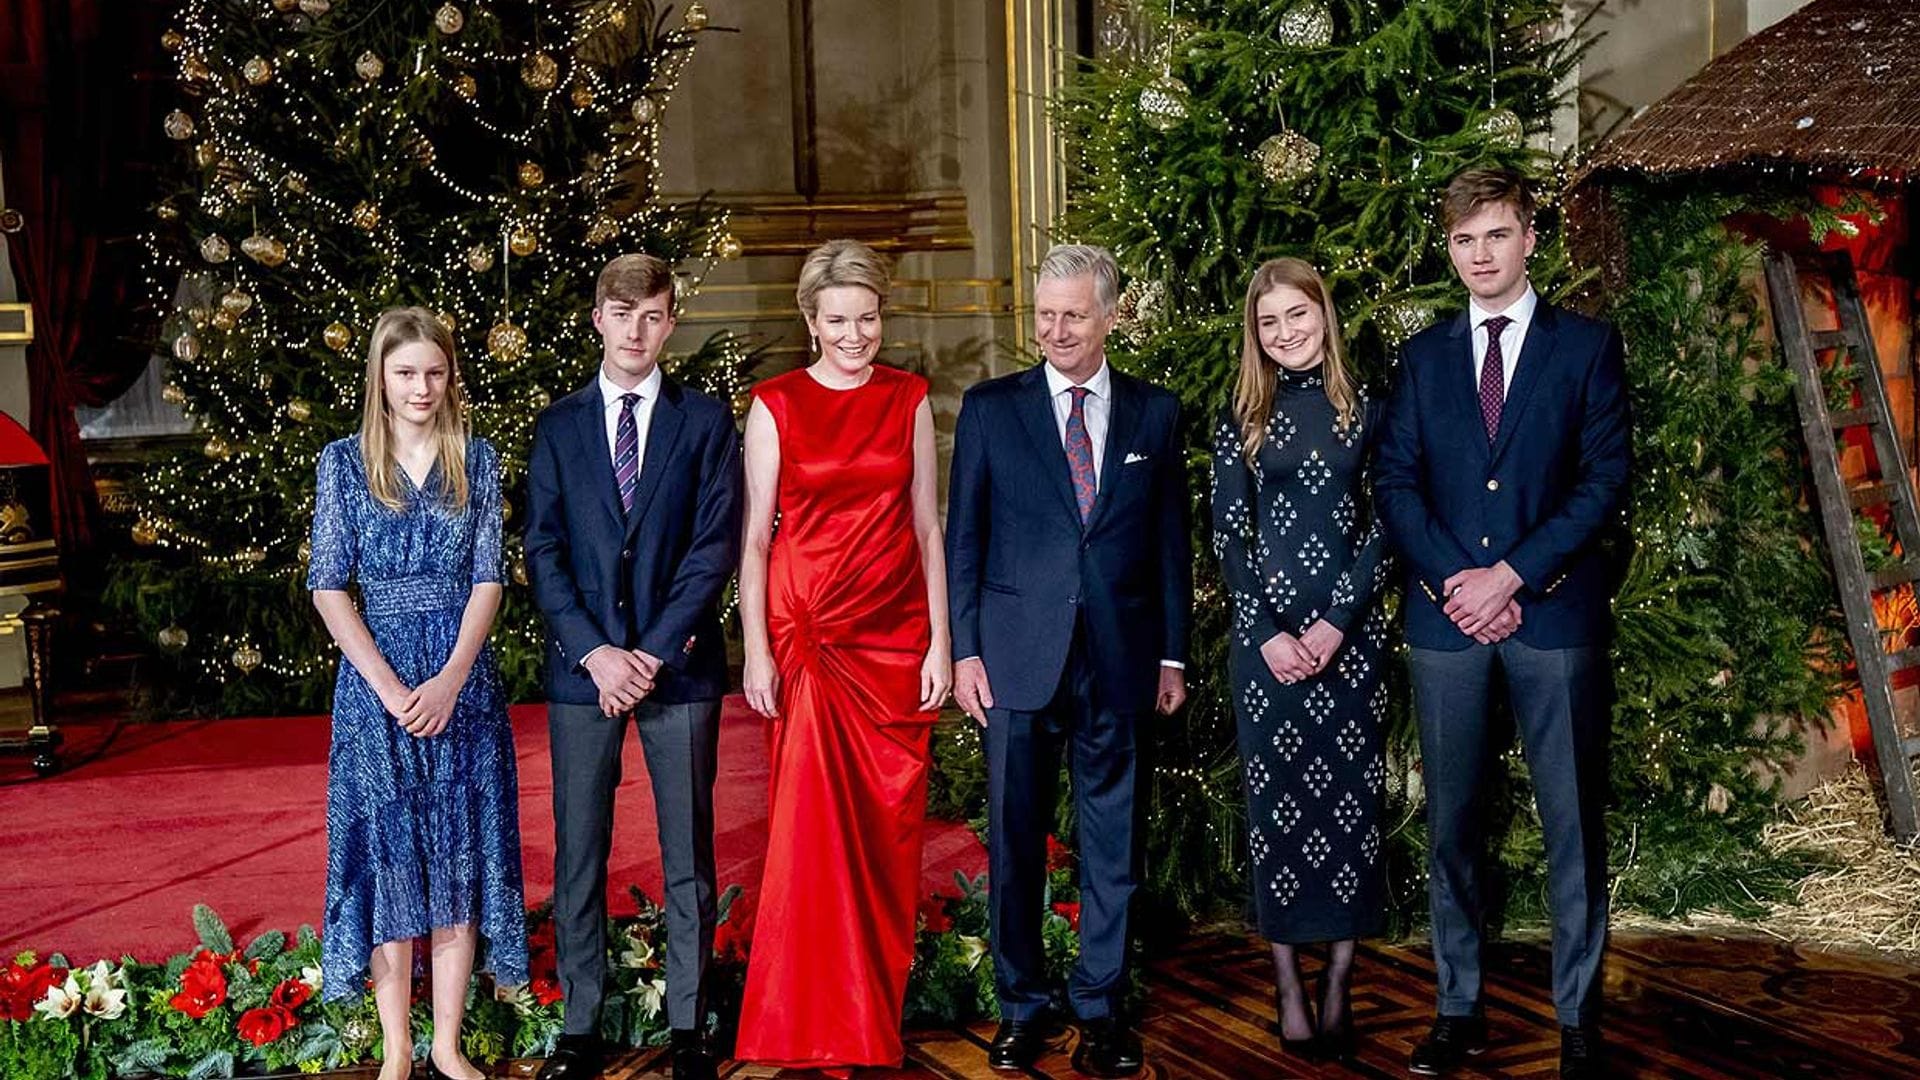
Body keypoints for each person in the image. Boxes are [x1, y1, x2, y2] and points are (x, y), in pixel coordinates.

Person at [1373, 167, 1630, 1080]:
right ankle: (1458, 1007)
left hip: (1552, 617)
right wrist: (1458, 581)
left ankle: (1577, 1020)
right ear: (1451, 251)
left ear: (1529, 239)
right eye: (1462, 240)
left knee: (1570, 822)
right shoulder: (1422, 356)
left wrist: (1513, 574)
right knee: (1452, 824)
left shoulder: (1587, 349)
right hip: (1448, 624)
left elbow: (1603, 483)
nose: (1479, 254)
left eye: (1495, 235)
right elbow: (1395, 484)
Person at [946, 243, 1191, 1079]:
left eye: (1073, 316)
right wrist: (966, 649)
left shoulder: (1155, 414)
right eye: (1044, 315)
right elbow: (964, 539)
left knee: (1112, 845)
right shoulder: (990, 408)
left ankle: (1102, 1009)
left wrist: (1171, 655)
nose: (1054, 330)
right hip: (1014, 661)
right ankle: (1020, 1006)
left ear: (1111, 316)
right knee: (1016, 841)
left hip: (1120, 661)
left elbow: (1169, 544)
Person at [733, 238, 952, 1077]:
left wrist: (942, 638)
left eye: (867, 319)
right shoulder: (776, 404)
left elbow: (929, 525)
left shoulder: (909, 398)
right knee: (810, 833)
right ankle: (805, 1024)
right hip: (811, 637)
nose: (856, 336)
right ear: (810, 320)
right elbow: (755, 541)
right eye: (839, 321)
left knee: (888, 832)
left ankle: (870, 1013)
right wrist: (756, 651)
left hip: (894, 638)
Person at [525, 254, 743, 1080]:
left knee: (688, 849)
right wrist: (597, 651)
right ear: (597, 318)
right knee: (580, 849)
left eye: (652, 316)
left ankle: (688, 1025)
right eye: (622, 315)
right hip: (584, 674)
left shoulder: (705, 422)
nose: (636, 331)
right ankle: (581, 1026)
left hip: (677, 670)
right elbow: (542, 552)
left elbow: (713, 546)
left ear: (670, 322)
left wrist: (649, 652)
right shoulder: (560, 425)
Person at [309, 306, 527, 1080]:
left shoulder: (479, 457)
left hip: (461, 683)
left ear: (451, 376)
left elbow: (489, 577)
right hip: (377, 687)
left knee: (459, 857)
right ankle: (398, 1050)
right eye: (405, 373)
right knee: (390, 856)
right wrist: (393, 688)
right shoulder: (342, 462)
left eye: (434, 372)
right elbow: (329, 587)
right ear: (380, 377)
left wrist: (452, 677)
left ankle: (447, 1043)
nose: (420, 387)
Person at [1211, 257, 1390, 1063]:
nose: (1286, 334)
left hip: (1348, 651)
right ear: (1255, 334)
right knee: (1277, 813)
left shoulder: (1368, 412)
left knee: (1350, 814)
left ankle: (1341, 979)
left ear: (1325, 315)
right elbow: (1227, 535)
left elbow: (1386, 528)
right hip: (1267, 651)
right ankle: (1286, 982)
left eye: (1298, 315)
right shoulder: (1243, 416)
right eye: (1269, 322)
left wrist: (1336, 627)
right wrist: (1270, 633)